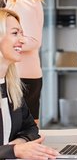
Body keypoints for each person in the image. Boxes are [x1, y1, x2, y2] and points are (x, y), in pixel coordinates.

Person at [0, 8, 58, 159]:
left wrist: (17, 146)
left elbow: (31, 128)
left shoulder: (11, 86)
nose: (23, 40)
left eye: (21, 33)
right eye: (15, 33)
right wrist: (14, 151)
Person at [0, 0, 45, 124]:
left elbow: (33, 41)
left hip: (24, 76)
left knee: (28, 127)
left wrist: (5, 42)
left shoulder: (24, 0)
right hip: (19, 74)